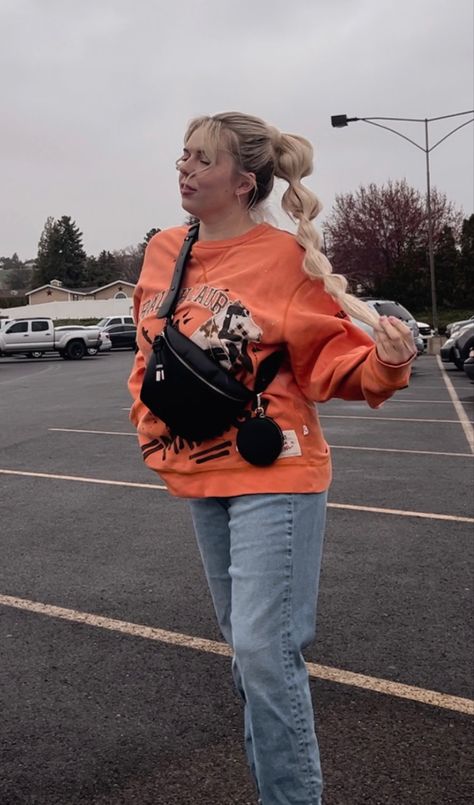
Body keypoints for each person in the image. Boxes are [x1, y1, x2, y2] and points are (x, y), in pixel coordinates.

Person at [127, 112, 416, 805]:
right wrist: (148, 423)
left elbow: (329, 361)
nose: (185, 169)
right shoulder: (167, 249)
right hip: (200, 474)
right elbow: (148, 354)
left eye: (201, 159)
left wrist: (385, 361)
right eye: (182, 156)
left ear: (243, 180)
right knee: (250, 658)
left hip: (276, 469)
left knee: (265, 651)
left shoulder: (286, 258)